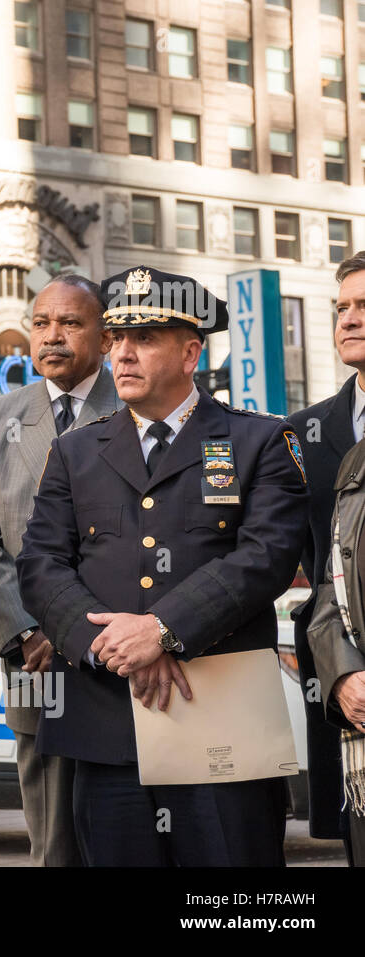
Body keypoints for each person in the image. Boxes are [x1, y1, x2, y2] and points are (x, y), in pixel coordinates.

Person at [16, 266, 308, 866]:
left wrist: (163, 630)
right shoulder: (76, 451)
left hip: (217, 719)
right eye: (116, 339)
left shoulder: (258, 441)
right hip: (107, 721)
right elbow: (41, 562)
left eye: (144, 339)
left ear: (190, 352)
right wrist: (109, 646)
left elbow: (265, 559)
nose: (122, 354)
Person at [0, 274, 118, 866]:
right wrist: (28, 629)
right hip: (34, 656)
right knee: (52, 840)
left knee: (126, 830)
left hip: (119, 647)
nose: (53, 337)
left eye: (71, 323)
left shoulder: (133, 406)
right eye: (42, 323)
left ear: (105, 337)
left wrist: (77, 626)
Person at [288, 252, 365, 855]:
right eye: (342, 308)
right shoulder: (303, 432)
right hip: (343, 685)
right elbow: (293, 560)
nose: (349, 320)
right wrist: (339, 670)